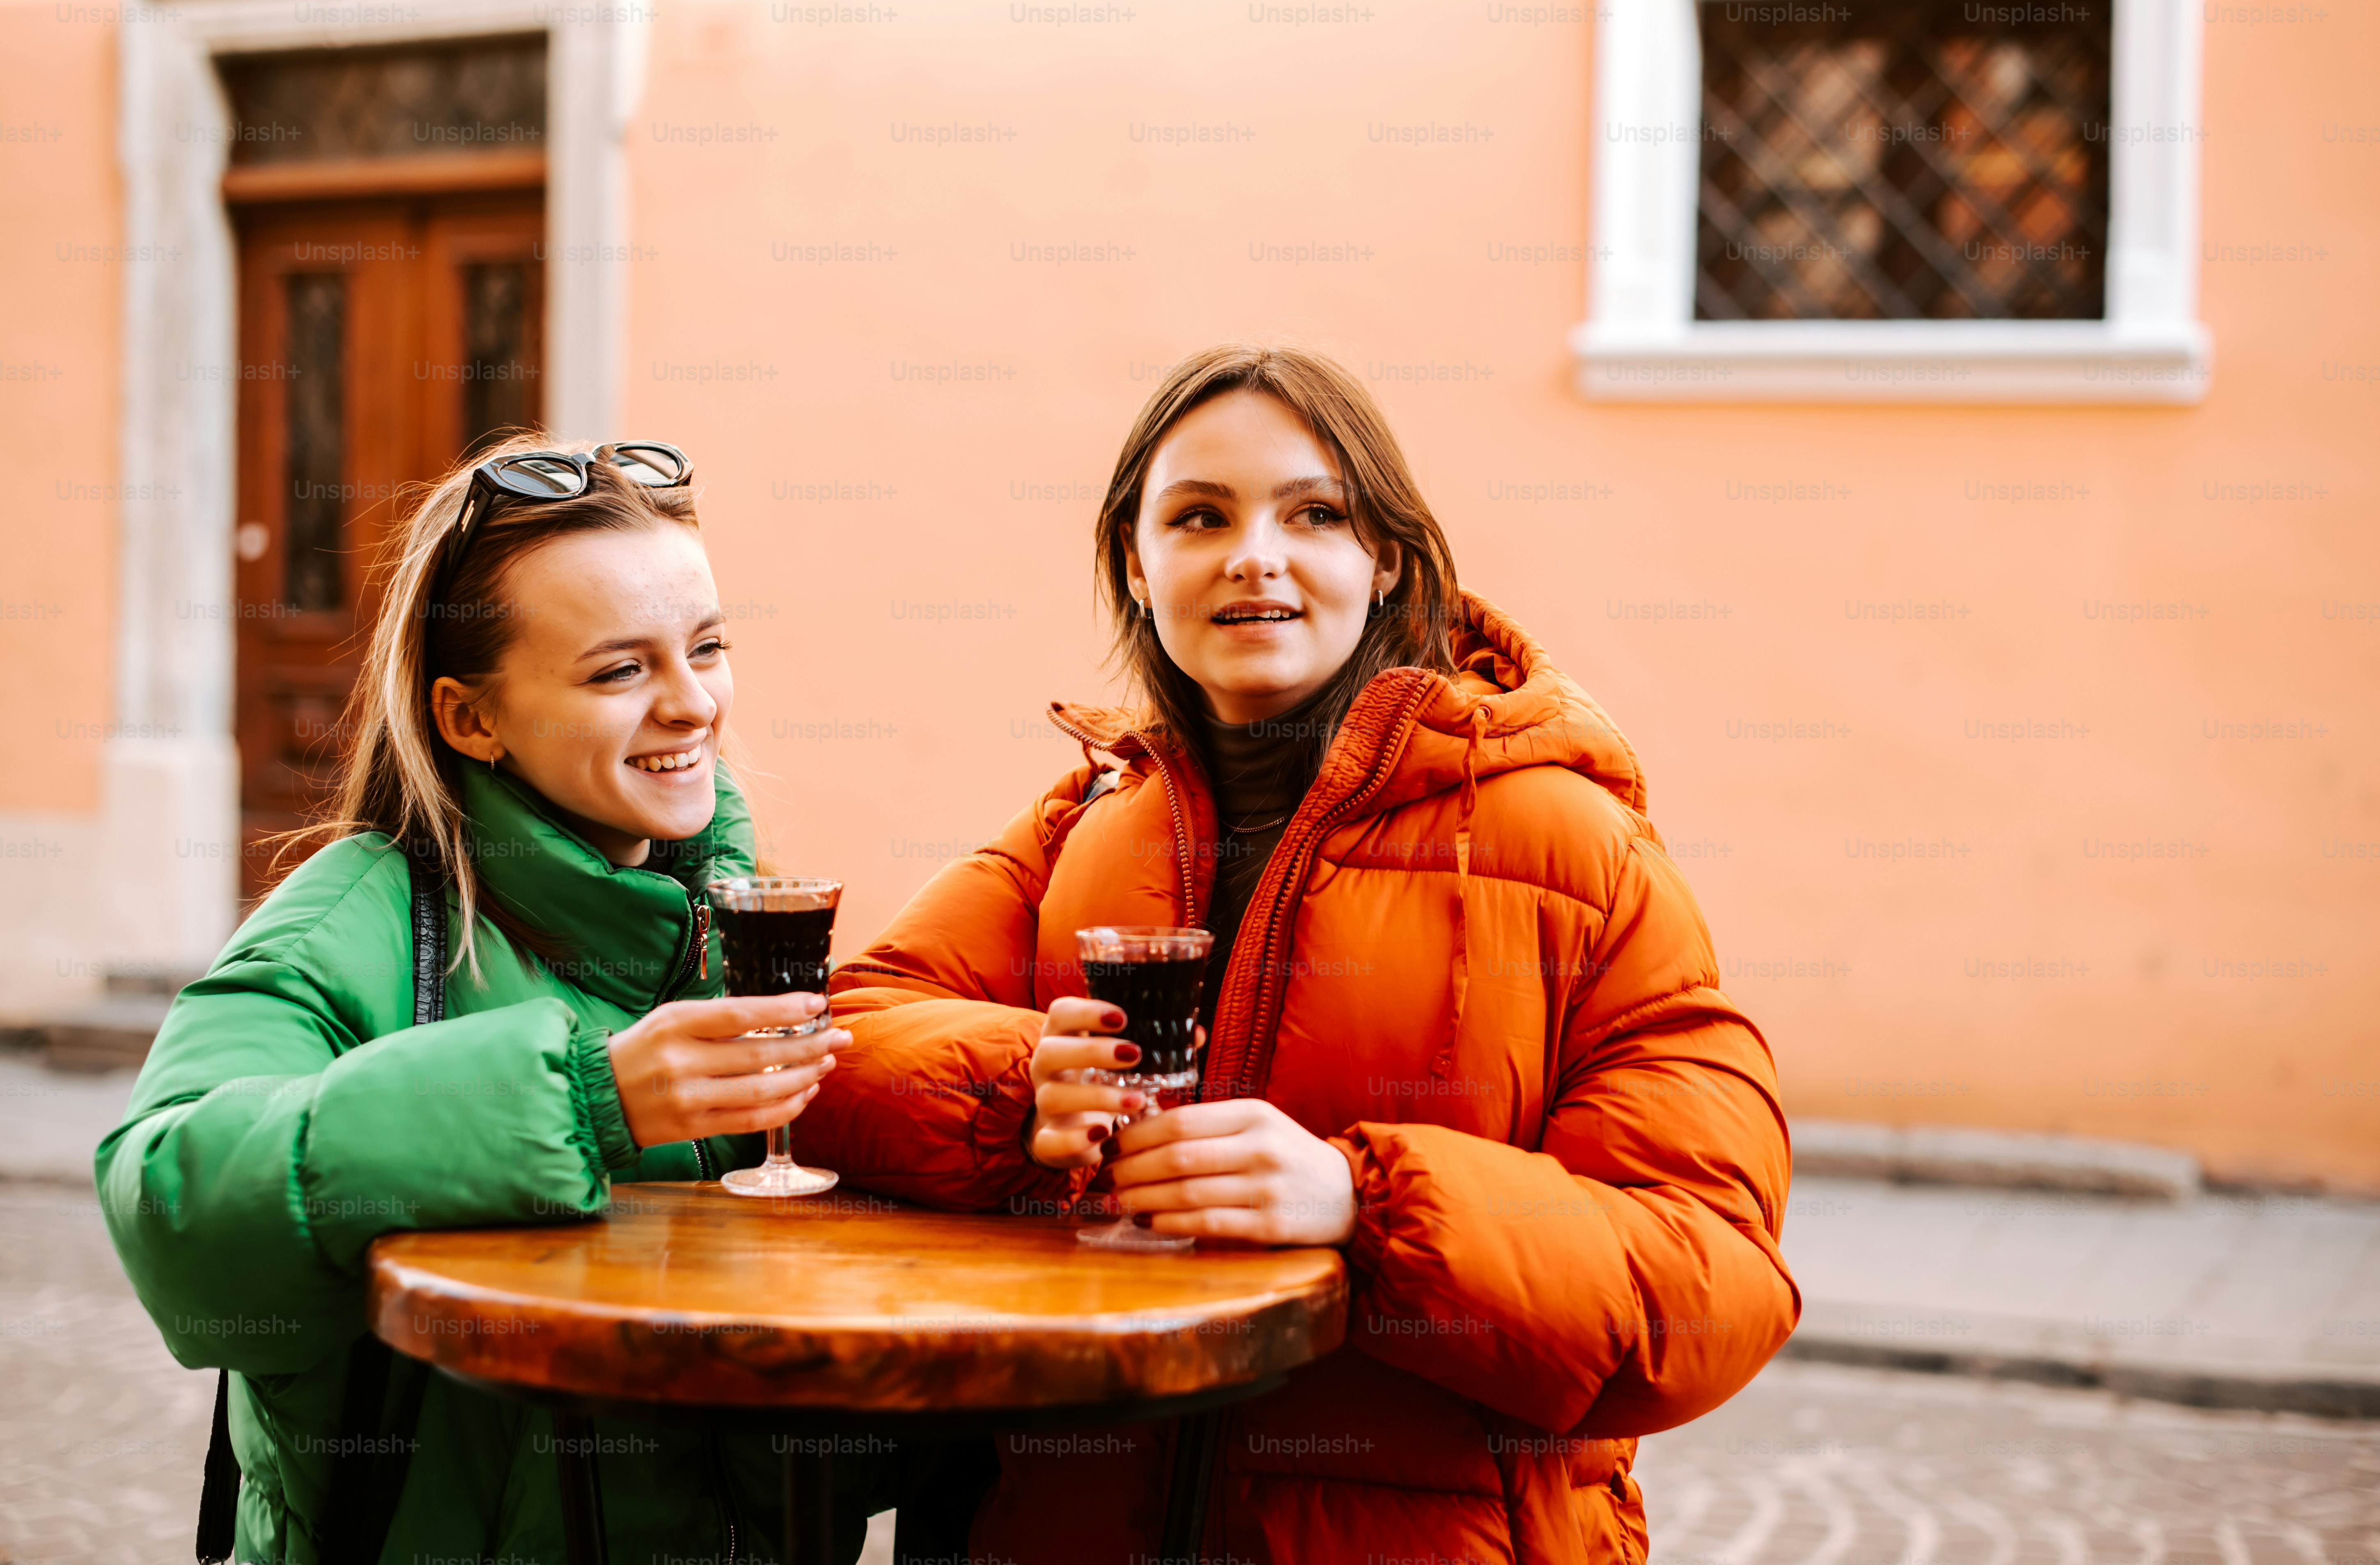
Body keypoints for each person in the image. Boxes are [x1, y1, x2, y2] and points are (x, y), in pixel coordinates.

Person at [792, 345, 1800, 1563]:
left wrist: (1364, 1209)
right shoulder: (1082, 826)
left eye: (1312, 513)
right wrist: (1016, 1088)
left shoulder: (1574, 847)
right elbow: (827, 1041)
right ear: (1136, 559)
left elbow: (1710, 1288)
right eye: (1199, 516)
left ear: (1383, 556)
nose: (1253, 554)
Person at [94, 439, 879, 1561]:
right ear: (472, 720)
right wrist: (584, 1107)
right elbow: (168, 1203)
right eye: (621, 672)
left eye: (707, 648)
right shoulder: (354, 921)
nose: (694, 703)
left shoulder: (734, 922)